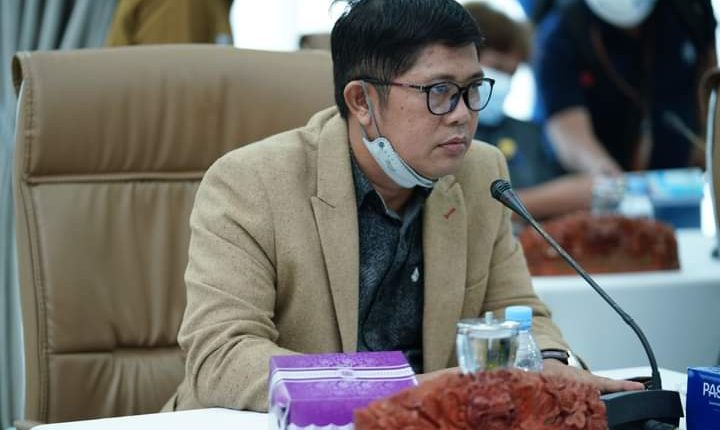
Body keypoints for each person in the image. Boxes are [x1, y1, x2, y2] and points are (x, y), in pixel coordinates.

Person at [168, 0, 643, 412]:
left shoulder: (480, 172)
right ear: (361, 101)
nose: (463, 114)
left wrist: (547, 363)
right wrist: (407, 389)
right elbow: (222, 358)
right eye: (439, 92)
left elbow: (518, 312)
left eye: (472, 89)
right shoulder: (250, 183)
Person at [534, 0, 716, 175]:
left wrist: (710, 148)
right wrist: (606, 173)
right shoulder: (562, 32)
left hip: (685, 174)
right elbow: (567, 131)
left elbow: (710, 78)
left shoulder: (689, 9)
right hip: (600, 180)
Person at [466, 2, 593, 220]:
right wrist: (566, 196)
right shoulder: (442, 129)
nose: (503, 82)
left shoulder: (528, 133)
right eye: (497, 67)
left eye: (511, 74)